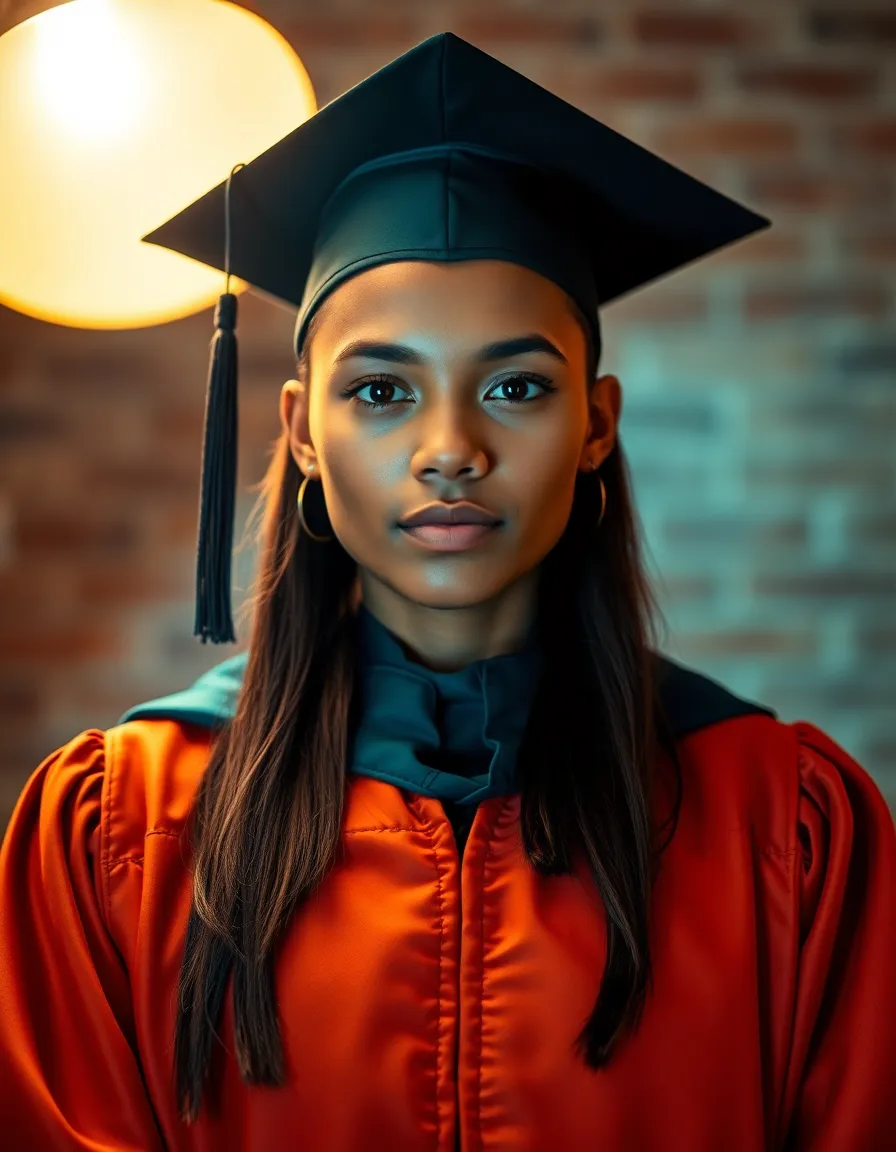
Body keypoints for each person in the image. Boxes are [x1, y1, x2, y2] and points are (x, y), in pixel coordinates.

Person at [1, 31, 894, 1152]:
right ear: (301, 434)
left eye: (515, 385)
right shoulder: (122, 826)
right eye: (380, 390)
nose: (448, 448)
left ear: (595, 426)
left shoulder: (779, 822)